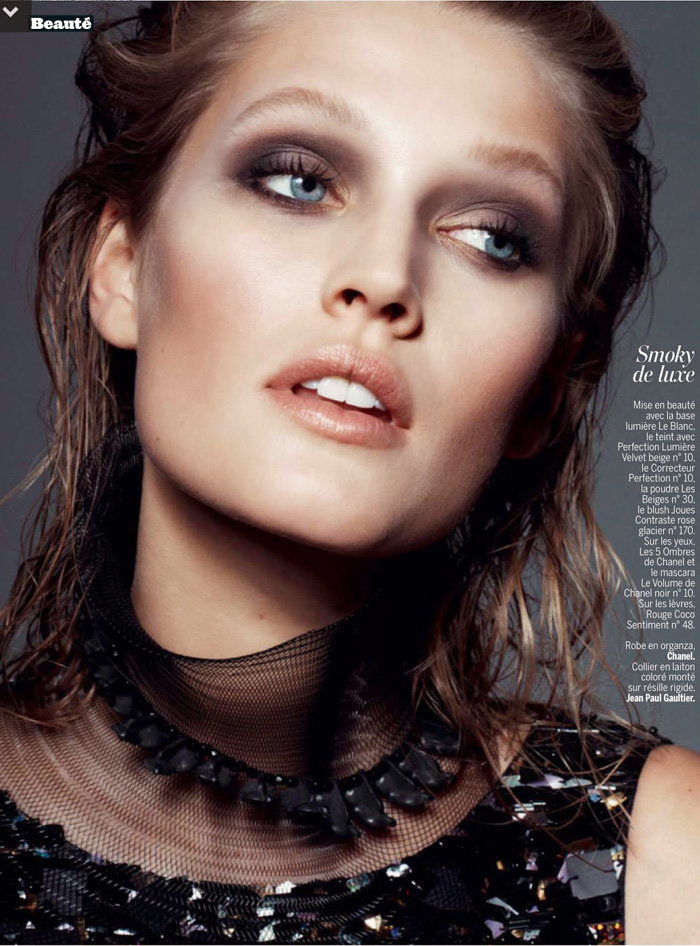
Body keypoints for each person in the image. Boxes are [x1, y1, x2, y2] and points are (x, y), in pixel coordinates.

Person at [0, 1, 698, 943]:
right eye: (297, 181)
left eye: (492, 237)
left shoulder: (662, 864)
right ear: (123, 266)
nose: (385, 278)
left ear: (543, 388)